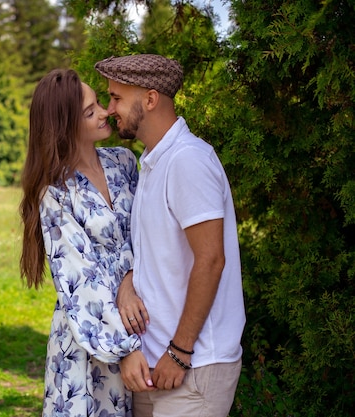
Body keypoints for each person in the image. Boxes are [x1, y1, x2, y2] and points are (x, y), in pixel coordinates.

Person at [94, 54, 246, 416]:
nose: (109, 108)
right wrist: (128, 281)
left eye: (117, 98)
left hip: (193, 367)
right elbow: (157, 255)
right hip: (154, 366)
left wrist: (180, 351)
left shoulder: (187, 160)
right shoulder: (152, 164)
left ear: (150, 99)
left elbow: (211, 260)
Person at [19, 68, 149, 416]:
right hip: (88, 339)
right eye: (90, 112)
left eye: (98, 104)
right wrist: (126, 348)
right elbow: (81, 279)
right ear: (65, 127)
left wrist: (128, 278)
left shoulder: (124, 163)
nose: (105, 112)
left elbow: (150, 237)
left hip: (141, 325)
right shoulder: (56, 194)